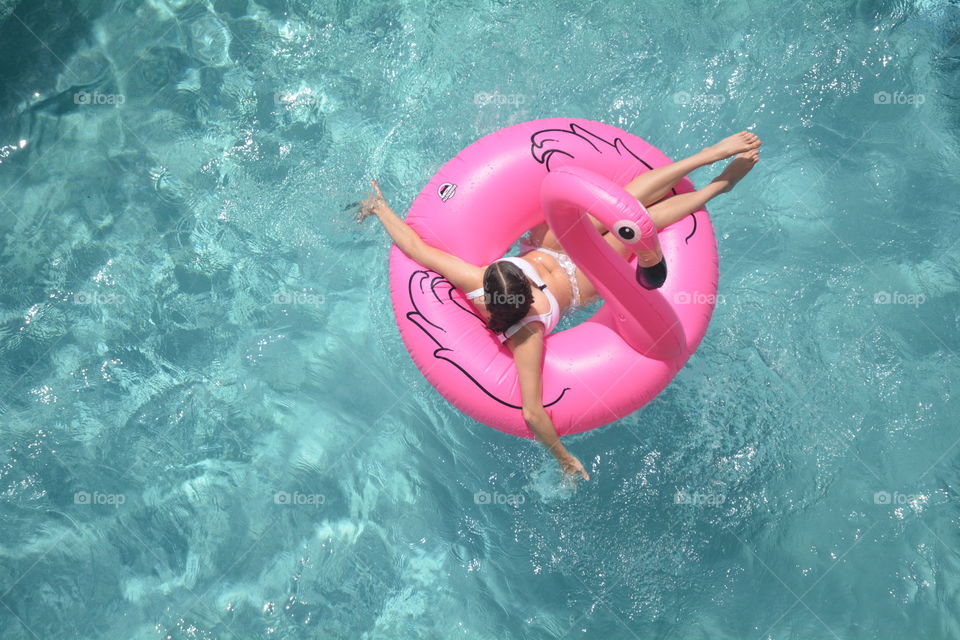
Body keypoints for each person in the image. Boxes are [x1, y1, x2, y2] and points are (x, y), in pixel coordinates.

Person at [356, 131, 761, 481]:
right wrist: (563, 459)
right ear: (524, 295)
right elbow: (532, 413)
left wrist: (380, 208)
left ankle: (710, 155)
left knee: (617, 203)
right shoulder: (526, 335)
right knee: (635, 223)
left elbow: (415, 247)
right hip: (579, 279)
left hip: (552, 247)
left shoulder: (479, 280)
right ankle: (717, 186)